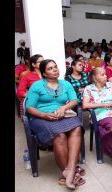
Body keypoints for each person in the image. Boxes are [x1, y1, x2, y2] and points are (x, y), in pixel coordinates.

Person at [25, 59, 84, 190]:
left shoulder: (66, 84)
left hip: (62, 114)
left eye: (55, 67)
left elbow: (74, 100)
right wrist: (44, 115)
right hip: (41, 117)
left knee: (77, 128)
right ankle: (70, 173)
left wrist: (64, 108)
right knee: (60, 135)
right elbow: (29, 108)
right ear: (44, 73)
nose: (55, 70)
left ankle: (69, 171)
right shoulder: (37, 86)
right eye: (50, 68)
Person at [82, 67, 112, 165]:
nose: (106, 76)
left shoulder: (111, 85)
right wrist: (104, 105)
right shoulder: (89, 89)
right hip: (101, 114)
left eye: (105, 74)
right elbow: (85, 105)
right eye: (102, 74)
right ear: (94, 78)